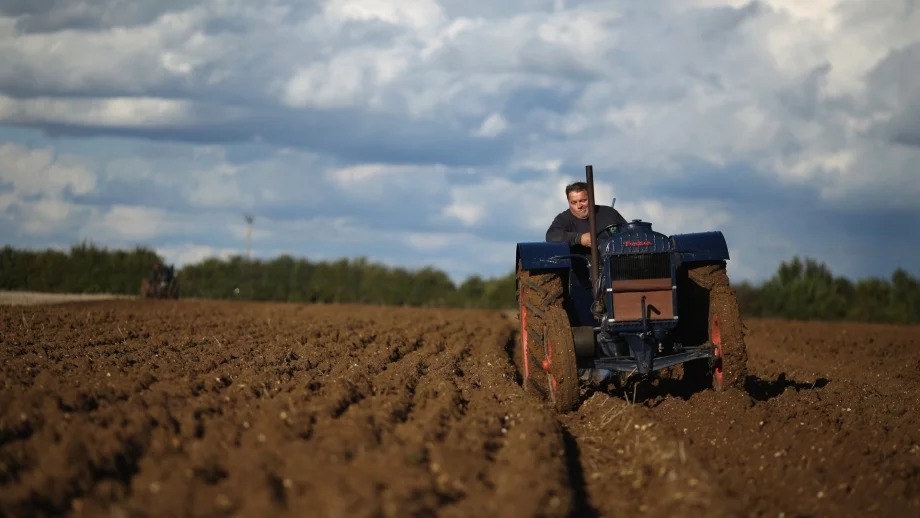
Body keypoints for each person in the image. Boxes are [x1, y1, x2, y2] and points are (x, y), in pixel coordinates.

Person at [546, 181, 627, 247]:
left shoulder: (610, 213)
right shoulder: (563, 218)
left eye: (583, 201)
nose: (579, 206)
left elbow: (630, 234)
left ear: (592, 198)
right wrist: (579, 239)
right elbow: (551, 236)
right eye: (573, 202)